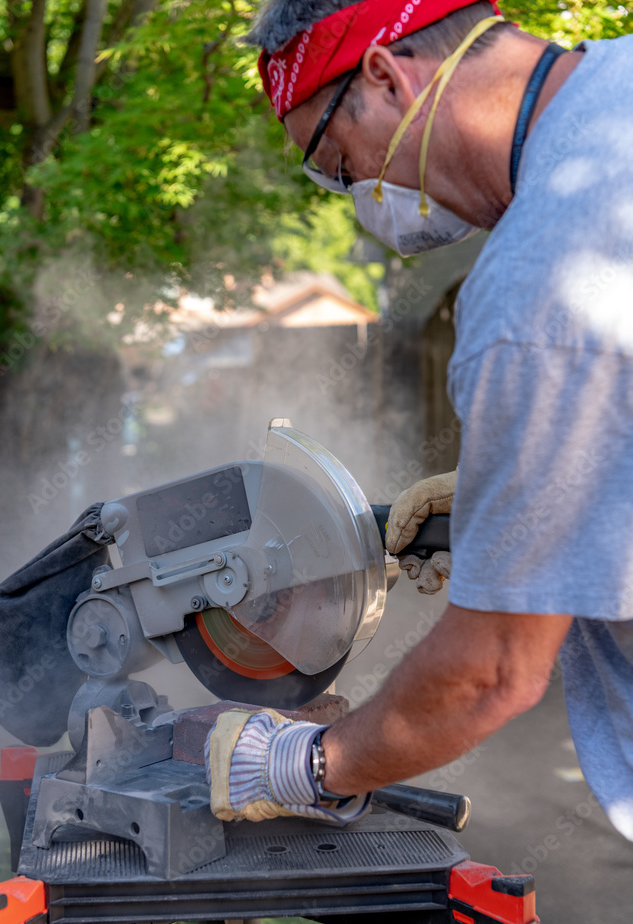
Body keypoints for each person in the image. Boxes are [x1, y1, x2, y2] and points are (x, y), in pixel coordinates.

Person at [206, 0, 633, 840]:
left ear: (384, 75)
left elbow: (491, 675)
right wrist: (512, 501)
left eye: (335, 161)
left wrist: (306, 764)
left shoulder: (536, 295)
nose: (355, 194)